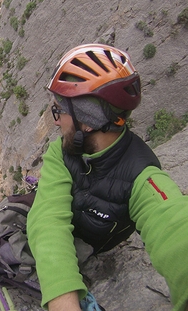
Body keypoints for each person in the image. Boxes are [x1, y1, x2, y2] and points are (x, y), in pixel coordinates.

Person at [26, 44, 188, 311]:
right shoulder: (60, 153)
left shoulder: (142, 177)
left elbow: (174, 226)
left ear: (87, 121)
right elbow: (48, 219)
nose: (56, 122)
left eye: (60, 110)